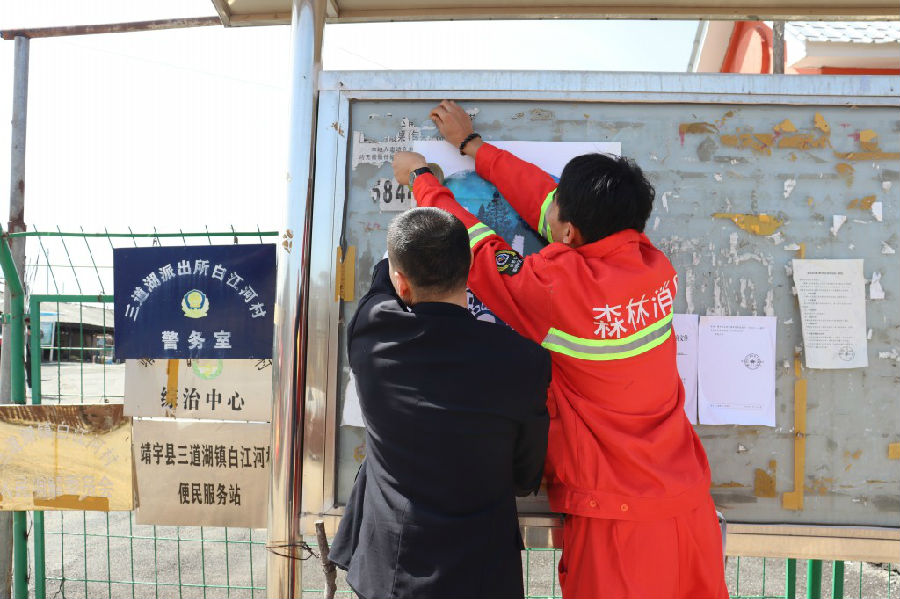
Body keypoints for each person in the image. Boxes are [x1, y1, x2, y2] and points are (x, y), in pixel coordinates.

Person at [391, 100, 729, 598]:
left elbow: (476, 248)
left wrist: (423, 180)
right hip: (688, 503)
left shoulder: (555, 288)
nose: (550, 210)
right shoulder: (651, 265)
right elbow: (547, 201)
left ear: (569, 233)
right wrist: (474, 147)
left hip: (618, 522)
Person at [328, 207, 551, 599]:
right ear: (469, 270)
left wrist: (398, 258)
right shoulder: (524, 359)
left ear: (400, 282)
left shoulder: (372, 330)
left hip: (391, 572)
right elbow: (524, 474)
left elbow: (382, 284)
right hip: (484, 575)